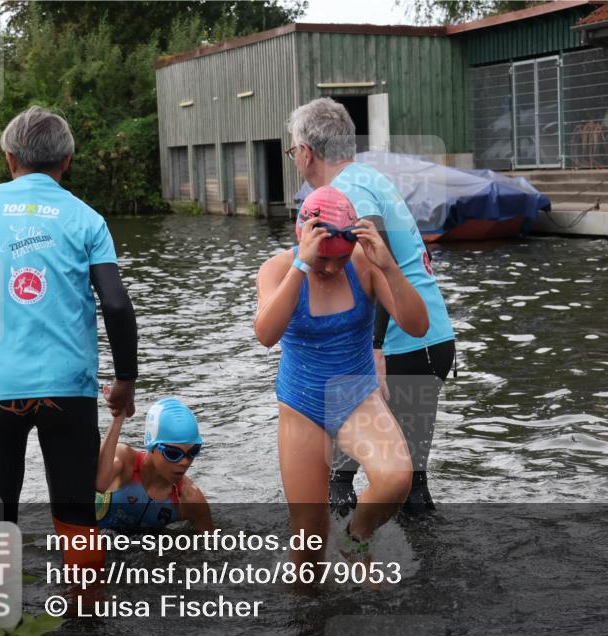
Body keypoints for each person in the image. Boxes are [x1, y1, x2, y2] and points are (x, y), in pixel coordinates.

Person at [0, 106, 138, 569]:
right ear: (67, 161)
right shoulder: (87, 218)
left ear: (10, 159)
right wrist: (125, 380)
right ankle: (88, 631)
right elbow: (116, 304)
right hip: (68, 391)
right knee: (78, 520)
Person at [287, 98, 457, 516]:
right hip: (430, 337)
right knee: (404, 479)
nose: (294, 159)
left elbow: (374, 256)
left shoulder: (346, 191)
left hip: (400, 346)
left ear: (306, 152)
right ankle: (419, 569)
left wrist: (375, 350)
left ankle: (351, 565)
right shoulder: (368, 178)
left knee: (347, 481)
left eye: (293, 151)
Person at [254, 184, 428, 567]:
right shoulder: (278, 269)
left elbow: (417, 326)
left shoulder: (364, 266)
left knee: (396, 478)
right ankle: (307, 620)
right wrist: (302, 266)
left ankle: (356, 539)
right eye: (323, 261)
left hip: (356, 394)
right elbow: (265, 334)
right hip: (302, 404)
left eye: (340, 258)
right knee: (309, 540)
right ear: (302, 239)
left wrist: (388, 266)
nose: (332, 268)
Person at [95, 396, 213, 533]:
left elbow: (214, 546)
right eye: (173, 453)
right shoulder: (124, 462)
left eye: (193, 451)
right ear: (151, 446)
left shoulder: (189, 499)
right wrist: (118, 418)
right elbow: (98, 478)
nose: (185, 462)